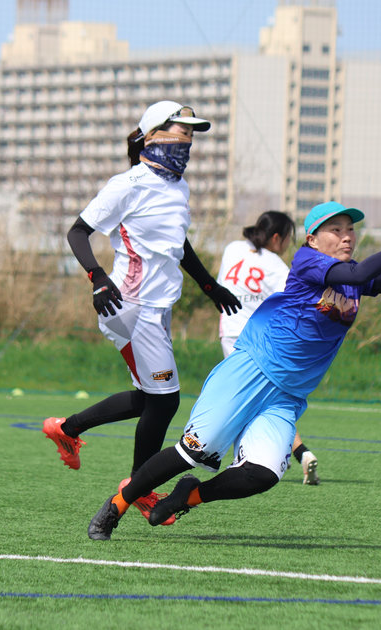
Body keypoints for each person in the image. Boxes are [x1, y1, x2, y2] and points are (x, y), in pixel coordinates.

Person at [87, 201, 381, 540]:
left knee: (263, 473)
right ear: (312, 239)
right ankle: (117, 505)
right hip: (252, 371)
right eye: (336, 229)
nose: (347, 236)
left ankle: (188, 496)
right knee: (193, 452)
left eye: (350, 229)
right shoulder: (308, 261)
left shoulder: (353, 277)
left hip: (287, 395)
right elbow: (362, 271)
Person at [42, 100, 241, 527]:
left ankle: (67, 429)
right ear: (151, 135)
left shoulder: (179, 187)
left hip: (157, 309)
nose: (187, 140)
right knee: (165, 401)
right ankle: (139, 488)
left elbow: (178, 245)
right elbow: (78, 232)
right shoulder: (127, 184)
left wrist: (210, 286)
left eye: (192, 135)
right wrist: (97, 277)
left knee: (151, 398)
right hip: (128, 306)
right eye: (181, 131)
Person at [217, 211, 319, 485]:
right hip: (260, 338)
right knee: (264, 399)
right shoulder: (276, 266)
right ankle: (296, 452)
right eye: (288, 238)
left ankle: (275, 453)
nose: (287, 244)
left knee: (247, 398)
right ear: (276, 238)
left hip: (231, 332)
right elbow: (297, 302)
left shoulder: (232, 249)